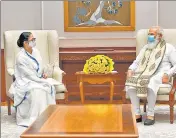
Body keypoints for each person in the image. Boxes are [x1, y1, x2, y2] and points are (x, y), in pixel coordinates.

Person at [9, 32, 65, 127]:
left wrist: (43, 74)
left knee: (48, 87)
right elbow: (29, 75)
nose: (34, 41)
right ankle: (36, 119)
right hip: (25, 81)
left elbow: (39, 67)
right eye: (32, 40)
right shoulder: (20, 57)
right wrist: (41, 81)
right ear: (25, 43)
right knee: (38, 90)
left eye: (34, 39)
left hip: (37, 78)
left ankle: (48, 117)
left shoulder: (36, 51)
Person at [125, 26, 176, 125]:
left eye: (152, 34)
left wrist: (168, 74)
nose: (149, 36)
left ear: (159, 36)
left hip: (161, 74)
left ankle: (150, 115)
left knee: (150, 82)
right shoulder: (146, 47)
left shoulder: (168, 47)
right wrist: (131, 69)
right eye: (149, 34)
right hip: (143, 72)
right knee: (130, 83)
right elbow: (137, 62)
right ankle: (137, 114)